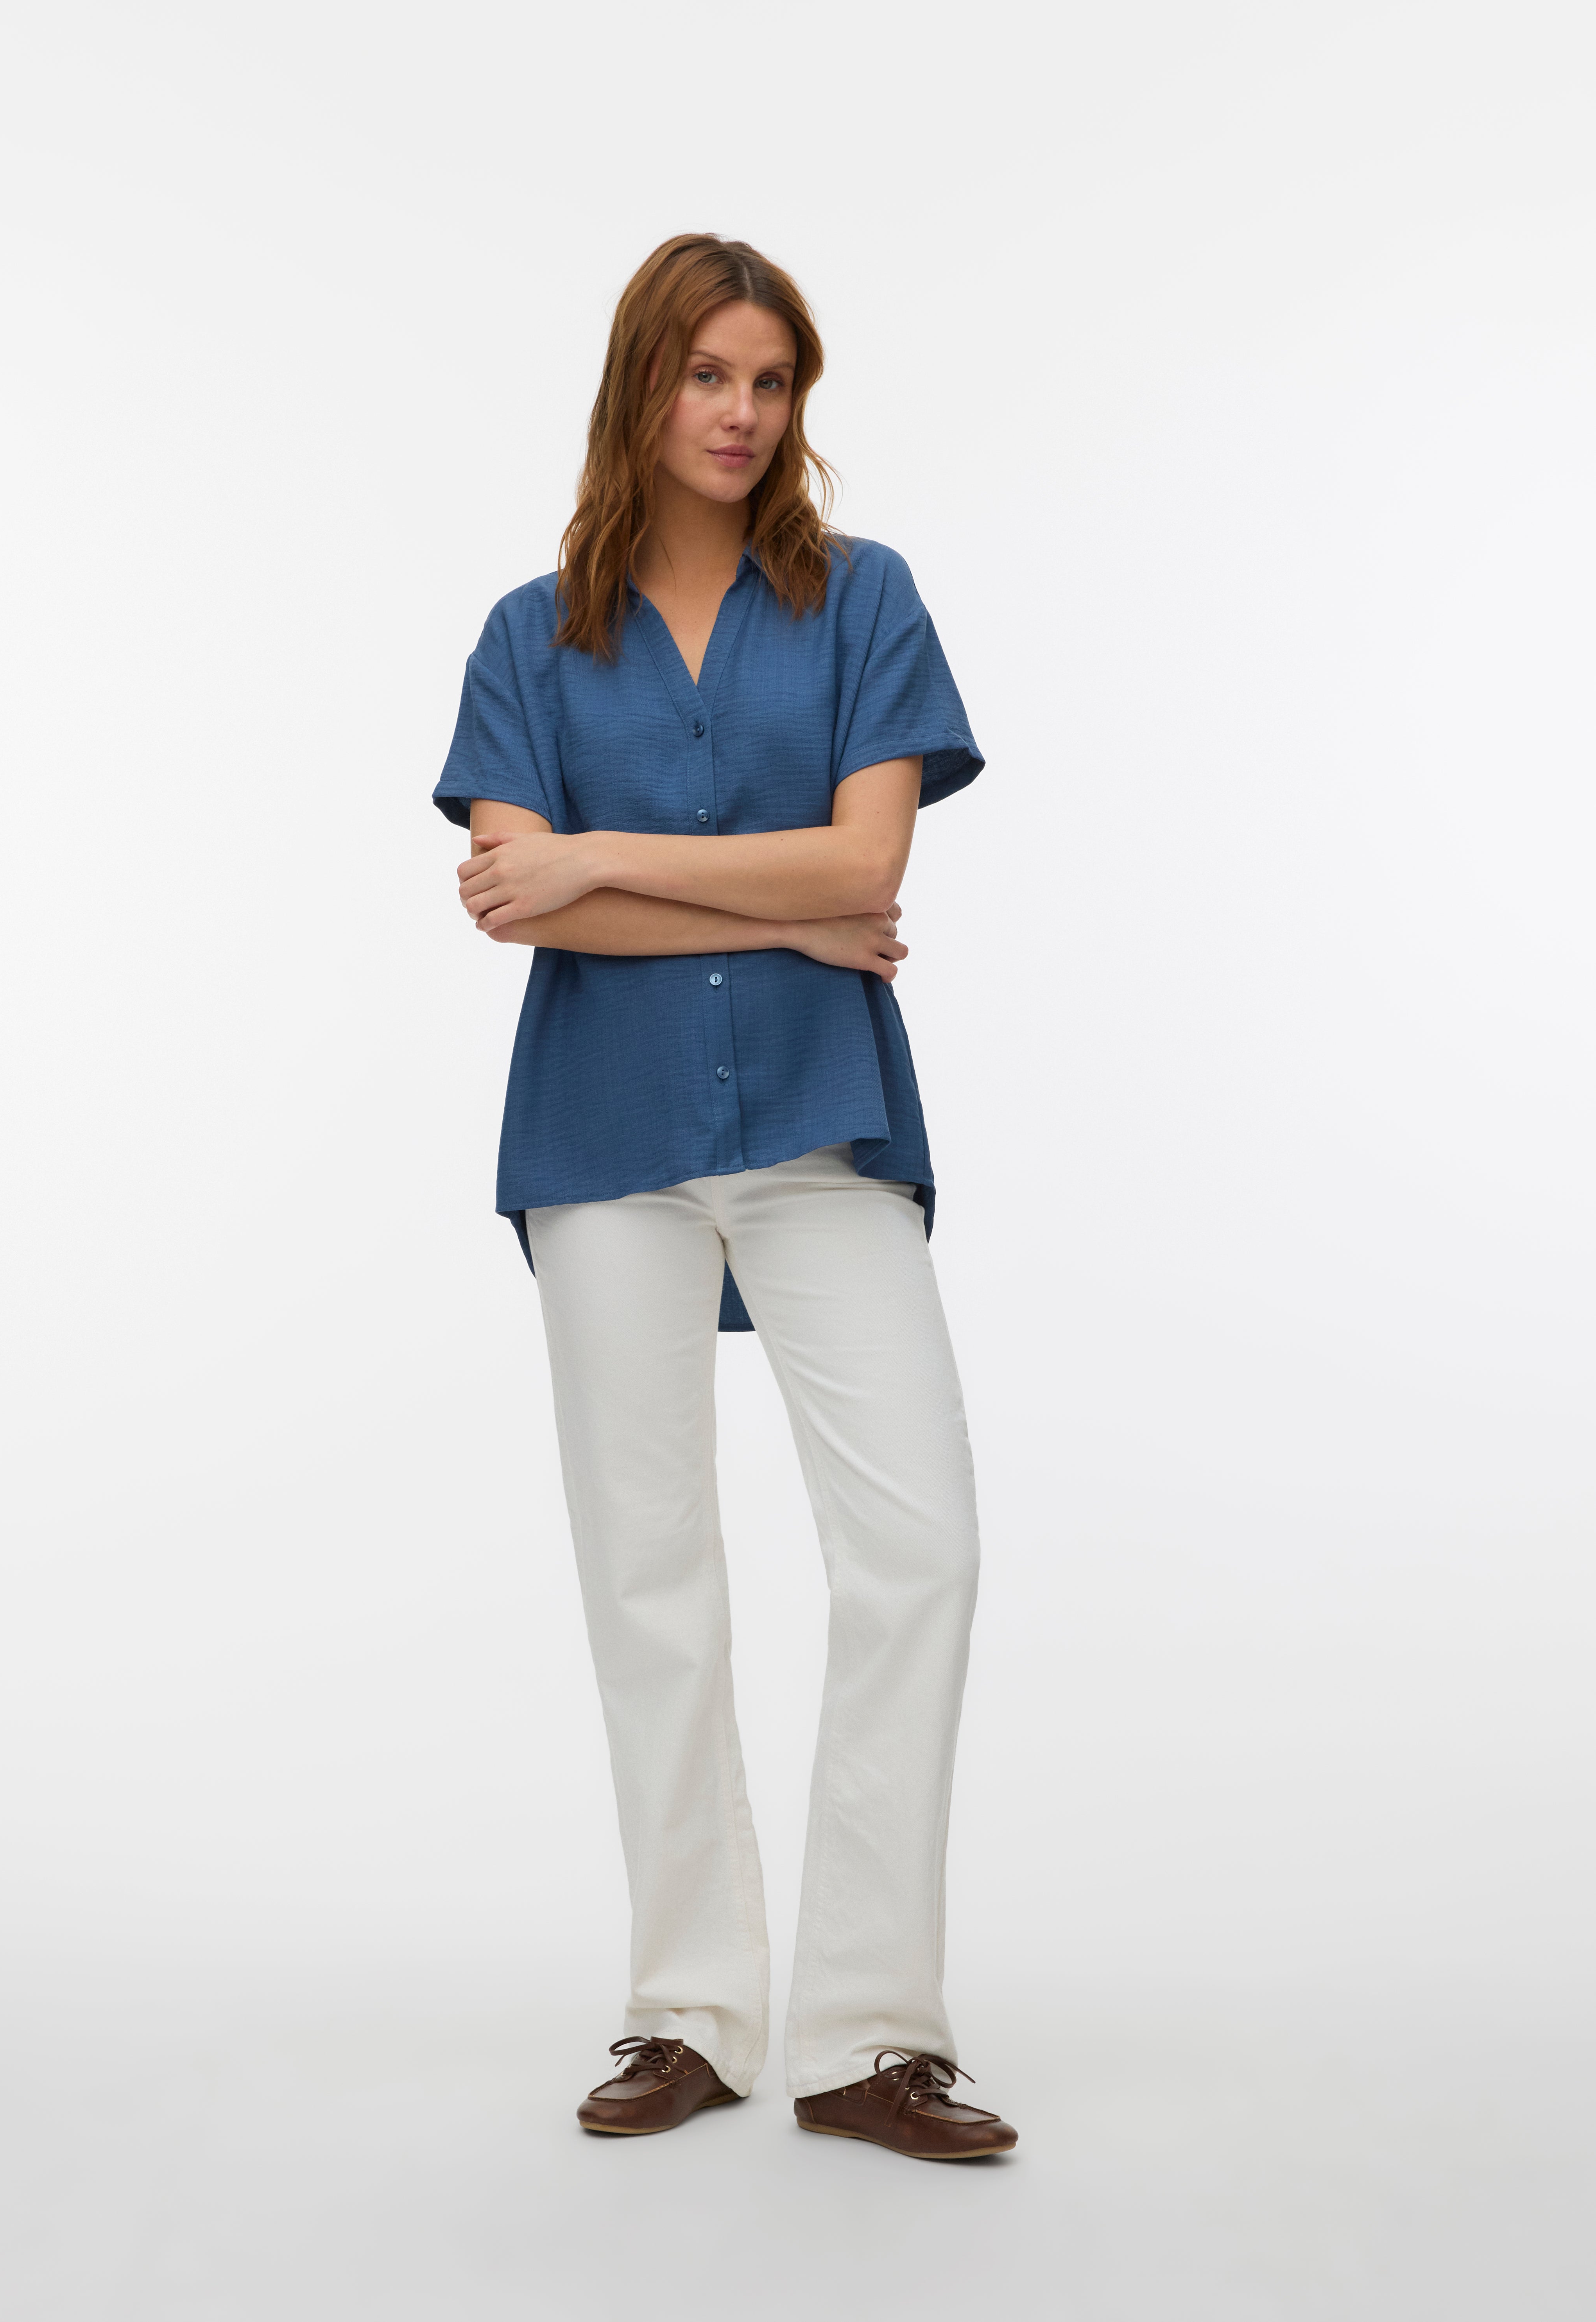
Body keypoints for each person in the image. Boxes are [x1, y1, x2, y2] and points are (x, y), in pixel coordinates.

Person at [433, 233, 1015, 2162]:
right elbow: (522, 902)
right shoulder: (528, 636)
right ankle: (686, 2008)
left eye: (771, 382)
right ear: (642, 385)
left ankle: (867, 2036)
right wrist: (772, 902)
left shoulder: (865, 600)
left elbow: (867, 871)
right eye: (709, 377)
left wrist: (602, 859)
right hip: (603, 1144)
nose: (743, 415)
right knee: (651, 1574)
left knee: (919, 1547)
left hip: (821, 1132)